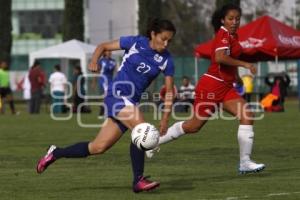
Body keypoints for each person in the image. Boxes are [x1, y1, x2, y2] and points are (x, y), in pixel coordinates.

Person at [36, 18, 177, 193]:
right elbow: (103, 46)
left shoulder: (167, 60)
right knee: (141, 129)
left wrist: (165, 118)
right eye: (163, 38)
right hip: (116, 94)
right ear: (153, 34)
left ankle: (55, 153)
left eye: (169, 40)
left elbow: (170, 91)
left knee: (97, 147)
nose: (166, 43)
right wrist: (94, 60)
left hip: (130, 102)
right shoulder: (135, 42)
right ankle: (138, 180)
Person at [147, 4, 265, 174]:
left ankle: (245, 162)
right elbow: (220, 57)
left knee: (247, 115)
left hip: (225, 87)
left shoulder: (234, 36)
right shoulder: (223, 34)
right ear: (222, 20)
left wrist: (237, 77)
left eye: (237, 18)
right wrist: (245, 64)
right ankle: (153, 142)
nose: (234, 21)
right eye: (230, 18)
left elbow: (229, 60)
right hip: (211, 86)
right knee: (193, 127)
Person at [93, 50, 117, 115]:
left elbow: (115, 72)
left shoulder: (113, 61)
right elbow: (97, 71)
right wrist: (94, 82)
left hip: (110, 80)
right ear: (104, 53)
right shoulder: (101, 61)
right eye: (108, 51)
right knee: (106, 95)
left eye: (110, 51)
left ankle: (106, 110)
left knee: (109, 96)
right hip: (103, 80)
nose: (109, 53)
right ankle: (102, 111)